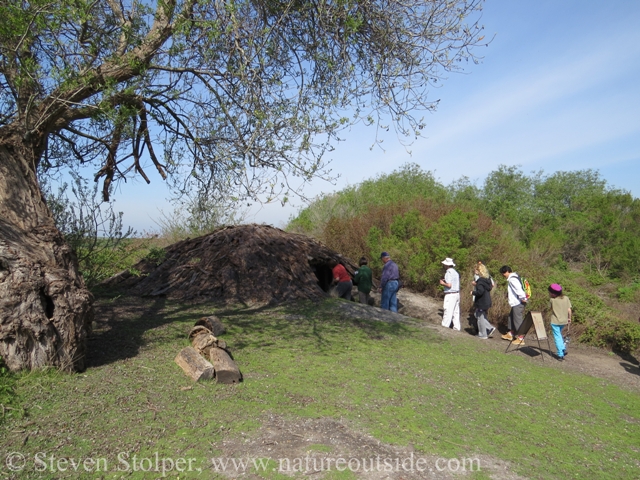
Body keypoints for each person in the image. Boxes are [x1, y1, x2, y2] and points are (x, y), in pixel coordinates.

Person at [499, 265, 528, 345]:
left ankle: (521, 338)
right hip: (516, 302)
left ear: (507, 272)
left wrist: (523, 297)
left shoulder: (512, 280)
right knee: (511, 317)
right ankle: (510, 334)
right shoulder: (516, 277)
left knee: (517, 319)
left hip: (518, 302)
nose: (503, 275)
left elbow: (518, 289)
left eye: (503, 273)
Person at [548, 283, 572, 361]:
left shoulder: (552, 300)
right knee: (559, 336)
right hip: (564, 321)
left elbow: (550, 309)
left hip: (555, 321)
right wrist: (569, 318)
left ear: (553, 293)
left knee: (557, 337)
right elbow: (569, 310)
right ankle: (563, 349)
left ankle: (561, 353)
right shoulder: (566, 298)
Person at [471, 263, 495, 339]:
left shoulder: (480, 281)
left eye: (475, 270)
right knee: (478, 314)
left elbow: (480, 292)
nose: (474, 271)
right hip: (486, 301)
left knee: (480, 317)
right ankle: (489, 328)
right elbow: (489, 287)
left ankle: (483, 334)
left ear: (478, 271)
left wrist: (473, 292)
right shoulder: (487, 279)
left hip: (482, 302)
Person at [439, 258, 460, 331]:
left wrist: (443, 283)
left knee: (447, 310)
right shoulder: (455, 272)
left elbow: (449, 285)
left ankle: (445, 326)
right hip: (456, 293)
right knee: (456, 312)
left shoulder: (448, 273)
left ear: (446, 265)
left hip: (450, 294)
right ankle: (457, 327)